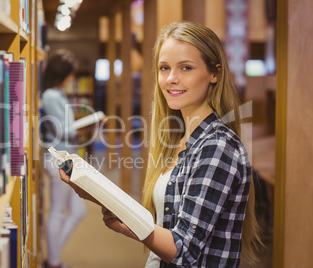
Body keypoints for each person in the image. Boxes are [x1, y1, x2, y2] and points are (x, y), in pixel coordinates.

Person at [59, 21, 261, 267]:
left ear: (214, 74)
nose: (172, 79)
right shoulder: (178, 139)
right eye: (164, 68)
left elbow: (183, 250)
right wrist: (104, 199)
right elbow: (168, 230)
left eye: (186, 67)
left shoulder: (216, 146)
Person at [40, 49, 86, 268]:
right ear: (62, 73)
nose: (72, 78)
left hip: (68, 157)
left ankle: (52, 257)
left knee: (78, 211)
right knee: (58, 211)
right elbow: (63, 130)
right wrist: (88, 124)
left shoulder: (57, 94)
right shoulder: (50, 95)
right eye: (71, 73)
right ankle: (54, 261)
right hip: (58, 158)